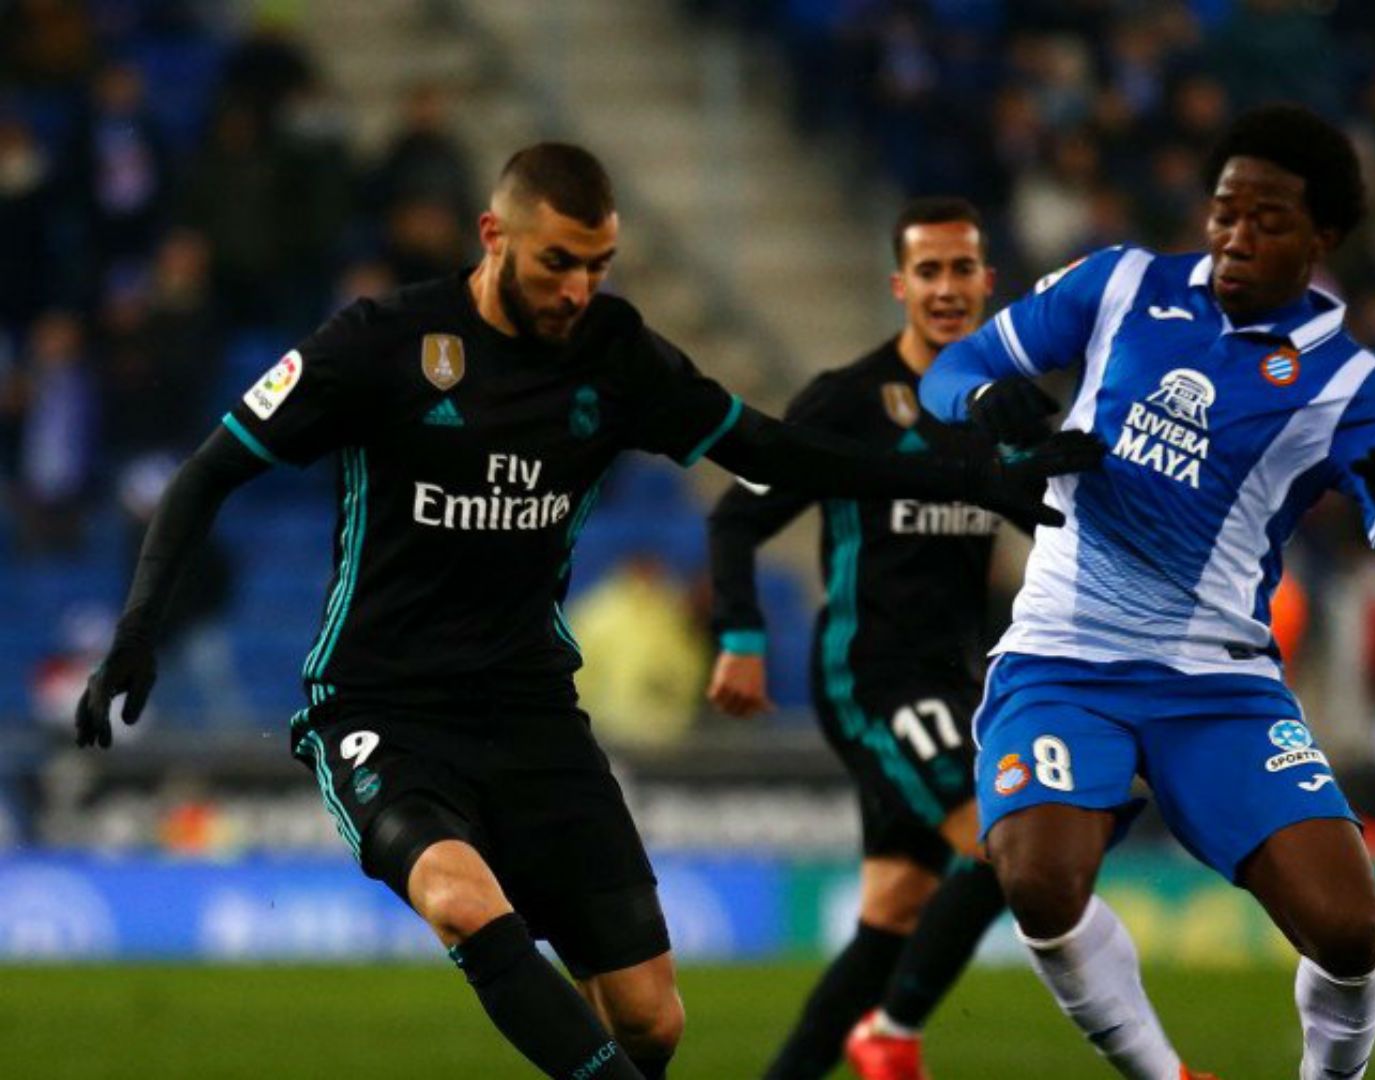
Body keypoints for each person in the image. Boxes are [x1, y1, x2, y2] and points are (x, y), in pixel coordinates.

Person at [72, 143, 1100, 1080]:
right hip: (379, 706)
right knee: (459, 899)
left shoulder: (612, 354)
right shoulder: (381, 345)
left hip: (530, 713)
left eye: (598, 265)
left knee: (651, 1021)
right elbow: (205, 474)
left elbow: (773, 453)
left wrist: (972, 474)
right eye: (559, 262)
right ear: (494, 236)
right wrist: (136, 629)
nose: (579, 289)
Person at [919, 104, 1375, 1080]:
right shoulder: (1121, 284)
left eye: (1269, 219)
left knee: (1348, 931)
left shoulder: (1352, 382)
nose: (1237, 235)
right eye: (1224, 211)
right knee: (1038, 879)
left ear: (1323, 237)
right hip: (1061, 657)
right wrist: (993, 407)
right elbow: (951, 370)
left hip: (1218, 684)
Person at [707, 197, 1011, 1080]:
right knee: (1006, 841)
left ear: (988, 282)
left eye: (962, 270)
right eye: (929, 271)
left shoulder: (1000, 407)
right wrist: (740, 632)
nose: (947, 288)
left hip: (956, 681)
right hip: (870, 677)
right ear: (899, 285)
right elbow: (736, 518)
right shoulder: (847, 400)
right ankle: (894, 1036)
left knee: (893, 911)